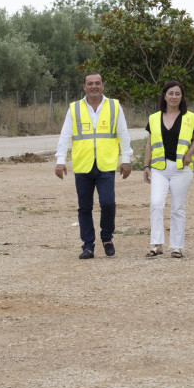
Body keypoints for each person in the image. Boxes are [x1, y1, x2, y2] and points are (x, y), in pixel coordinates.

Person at [55, 72, 132, 260]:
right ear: (84, 87)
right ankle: (88, 245)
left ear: (103, 86)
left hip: (106, 164)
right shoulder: (74, 108)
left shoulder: (114, 106)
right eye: (90, 83)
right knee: (84, 207)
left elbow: (123, 133)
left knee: (108, 203)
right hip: (83, 165)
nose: (94, 86)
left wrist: (127, 159)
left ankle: (107, 237)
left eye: (97, 83)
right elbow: (65, 135)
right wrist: (60, 160)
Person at [142, 81, 194, 259]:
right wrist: (146, 165)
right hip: (159, 168)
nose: (174, 97)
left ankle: (176, 247)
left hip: (181, 168)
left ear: (182, 97)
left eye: (177, 94)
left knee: (177, 208)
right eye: (170, 93)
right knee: (156, 204)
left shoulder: (190, 118)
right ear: (164, 96)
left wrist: (189, 154)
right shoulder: (154, 118)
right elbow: (150, 143)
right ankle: (156, 244)